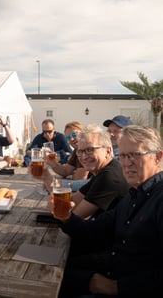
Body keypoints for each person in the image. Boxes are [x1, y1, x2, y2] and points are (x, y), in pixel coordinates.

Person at [54, 125, 163, 298]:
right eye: (124, 156)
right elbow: (95, 231)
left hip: (128, 285)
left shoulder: (158, 198)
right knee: (51, 269)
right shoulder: (133, 194)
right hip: (113, 265)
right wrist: (64, 216)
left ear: (158, 157)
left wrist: (116, 287)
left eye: (135, 155)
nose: (126, 163)